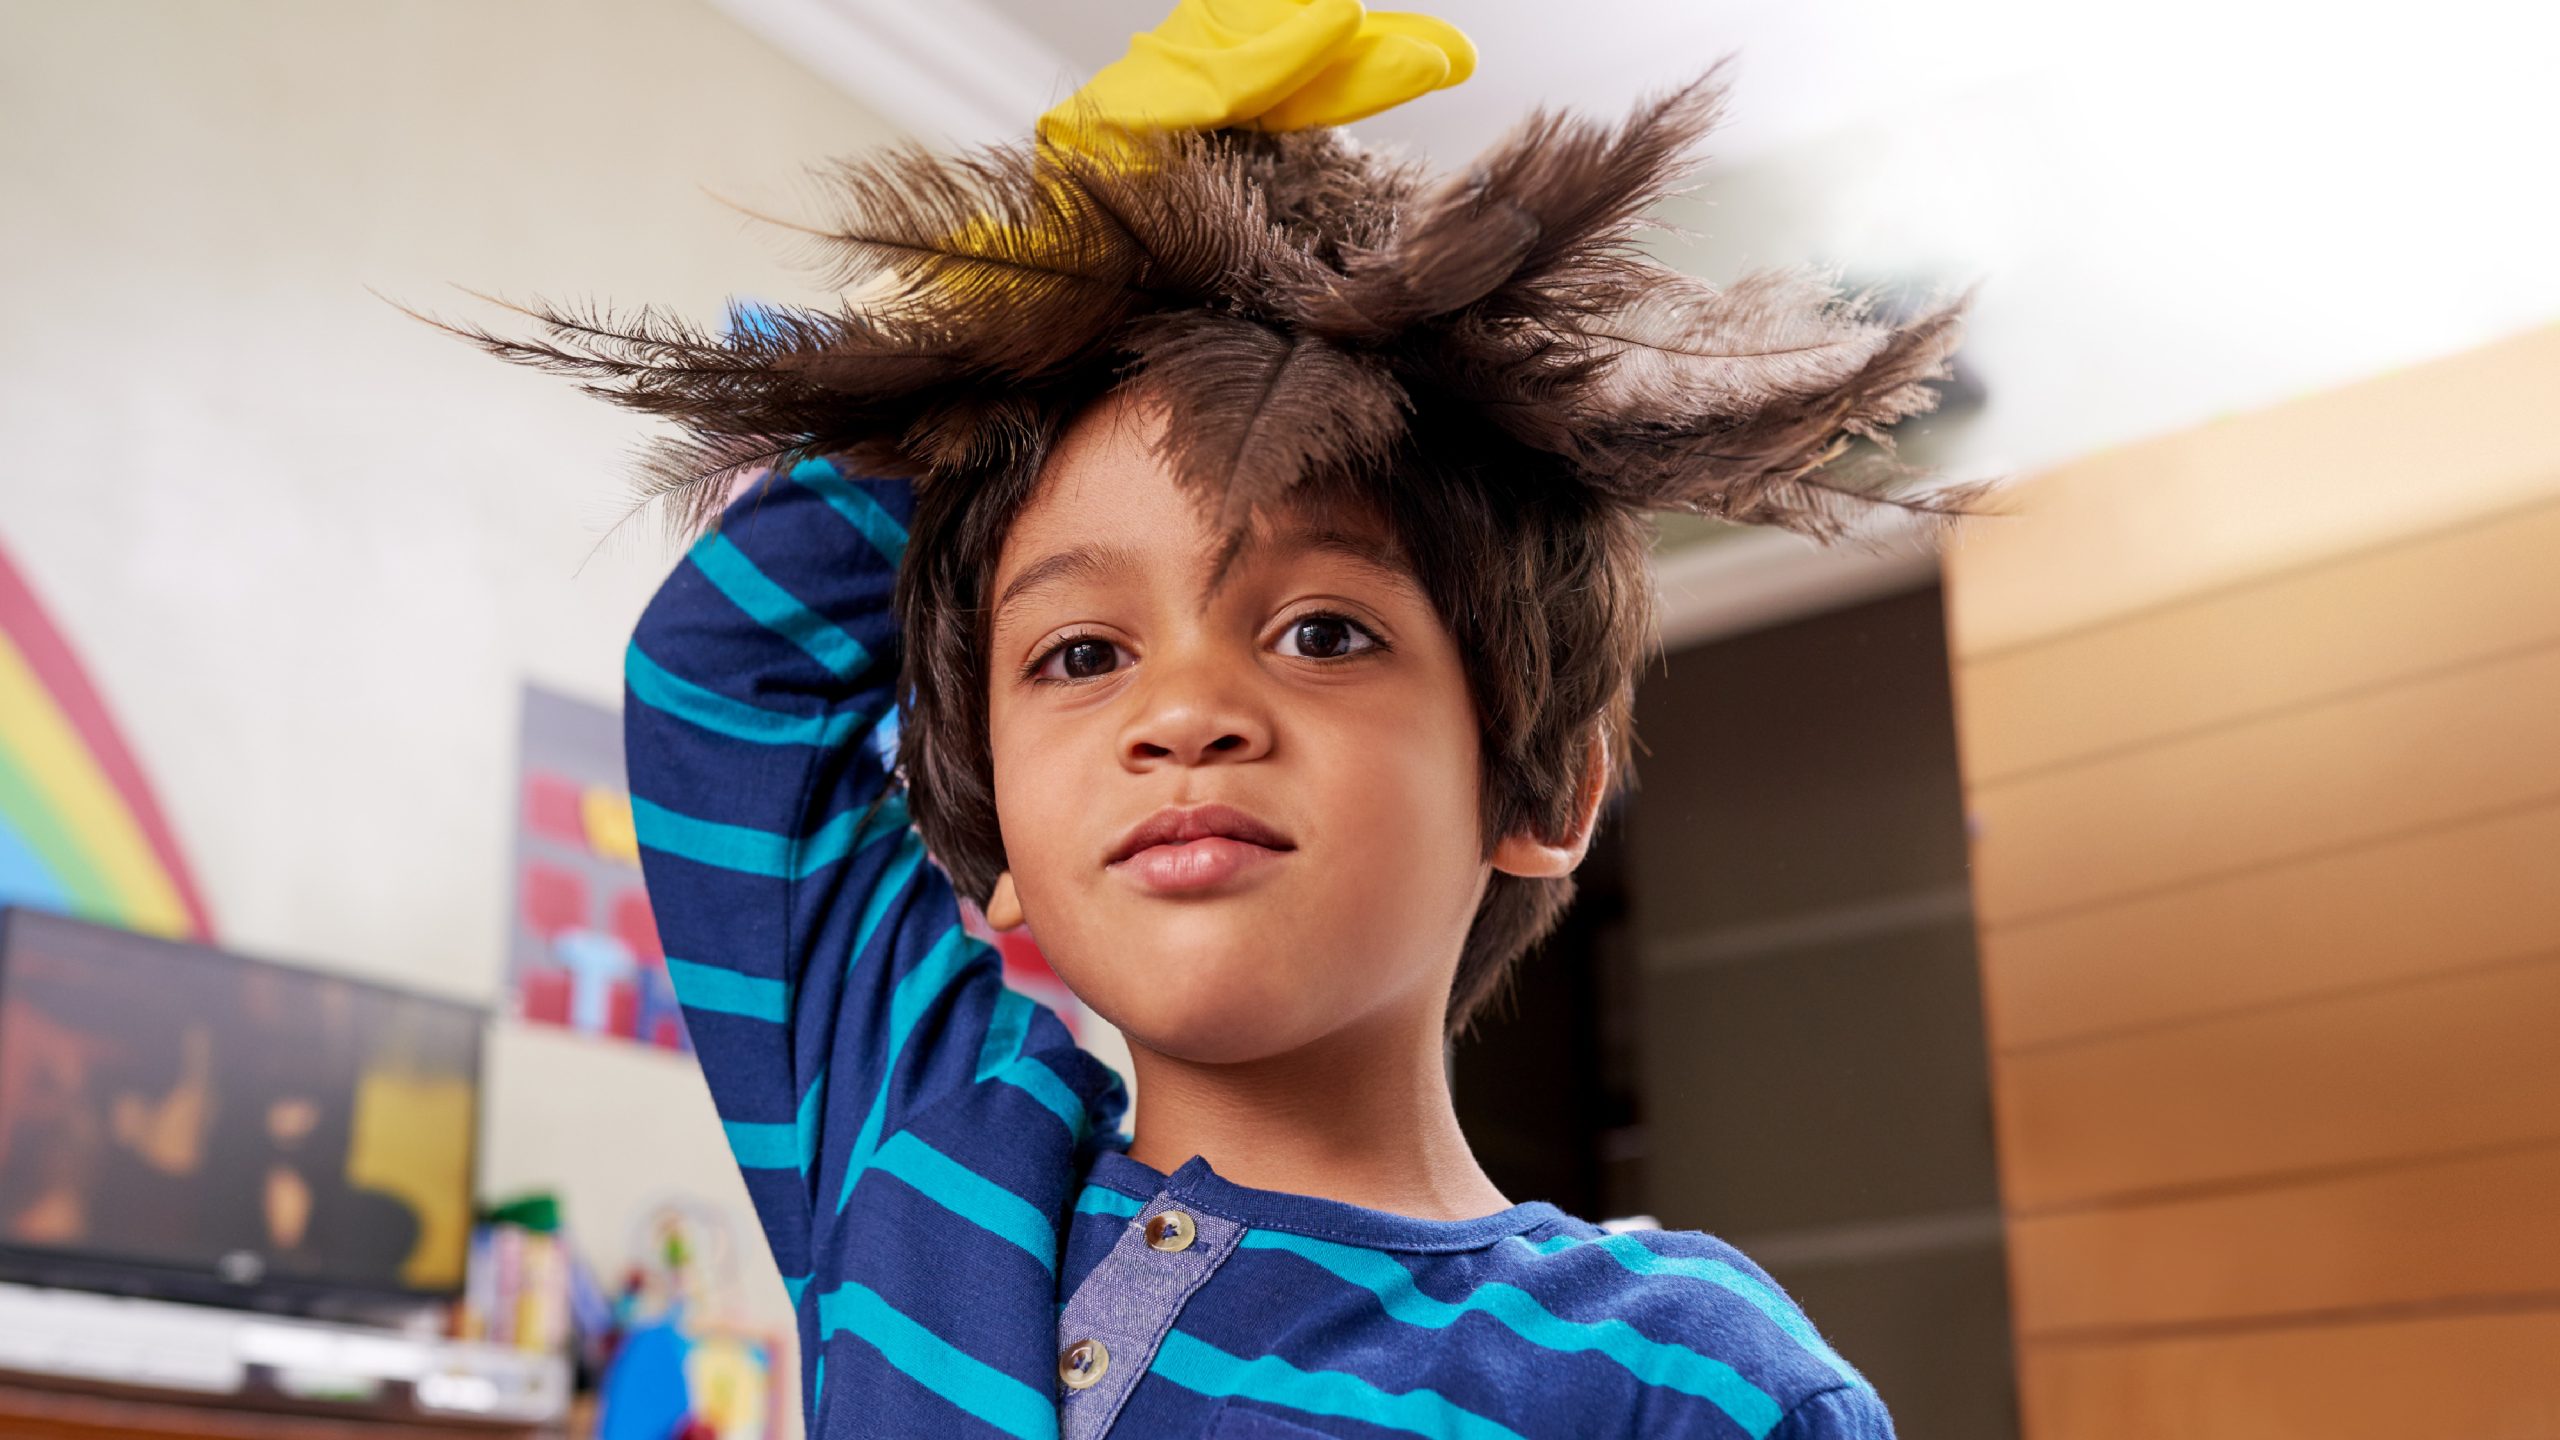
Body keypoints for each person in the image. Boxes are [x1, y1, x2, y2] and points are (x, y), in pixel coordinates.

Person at [448, 3, 1982, 1433]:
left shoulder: (1684, 1378)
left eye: (1321, 631)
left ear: (1544, 784)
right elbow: (724, 685)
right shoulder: (918, 1155)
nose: (1184, 712)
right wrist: (1013, 311)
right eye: (1078, 654)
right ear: (981, 820)